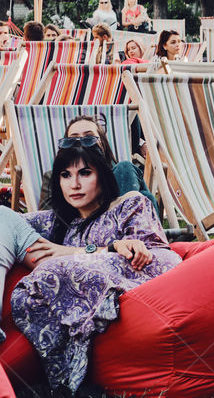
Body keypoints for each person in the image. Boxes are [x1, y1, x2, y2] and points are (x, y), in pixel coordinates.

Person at [11, 145, 180, 393]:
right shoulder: (55, 222)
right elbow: (6, 218)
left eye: (85, 173)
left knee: (53, 271)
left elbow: (152, 253)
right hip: (84, 303)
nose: (74, 184)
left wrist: (116, 248)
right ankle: (62, 383)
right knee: (25, 293)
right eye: (65, 175)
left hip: (137, 287)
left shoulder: (128, 204)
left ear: (102, 175)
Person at [40, 115, 159, 213]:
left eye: (89, 138)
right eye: (73, 139)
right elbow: (47, 222)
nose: (81, 143)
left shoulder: (117, 174)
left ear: (102, 144)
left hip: (120, 232)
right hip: (82, 233)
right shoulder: (53, 177)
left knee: (144, 194)